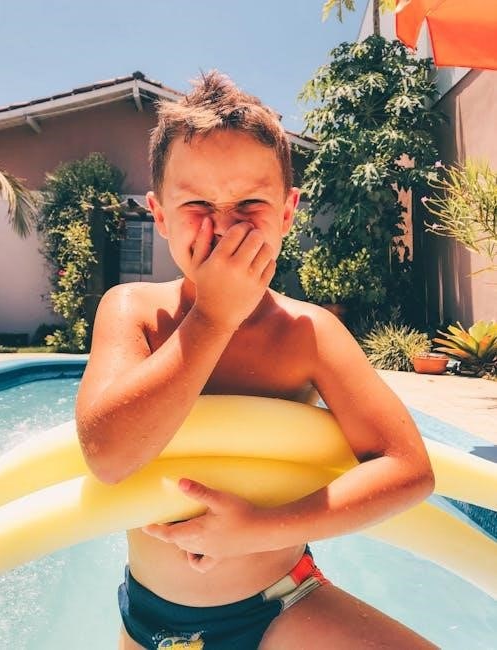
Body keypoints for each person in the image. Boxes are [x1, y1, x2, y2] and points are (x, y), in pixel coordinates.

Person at [76, 71, 437, 650]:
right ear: (160, 215)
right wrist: (212, 319)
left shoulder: (309, 333)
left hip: (281, 604)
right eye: (197, 203)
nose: (223, 225)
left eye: (249, 202)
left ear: (288, 211)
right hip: (149, 620)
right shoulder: (133, 311)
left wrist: (258, 531)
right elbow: (108, 455)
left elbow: (408, 469)